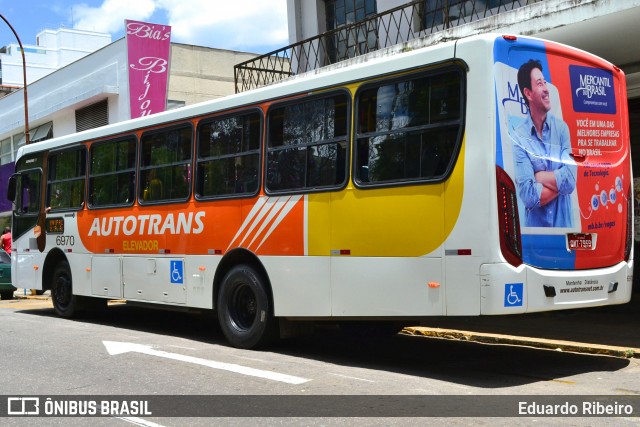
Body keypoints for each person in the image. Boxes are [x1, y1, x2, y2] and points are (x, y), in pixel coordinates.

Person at [512, 59, 576, 227]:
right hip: (536, 237)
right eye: (540, 84)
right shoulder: (519, 137)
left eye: (545, 82)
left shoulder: (562, 130)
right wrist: (559, 184)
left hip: (564, 231)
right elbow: (529, 196)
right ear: (528, 93)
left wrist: (540, 177)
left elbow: (570, 180)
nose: (546, 89)